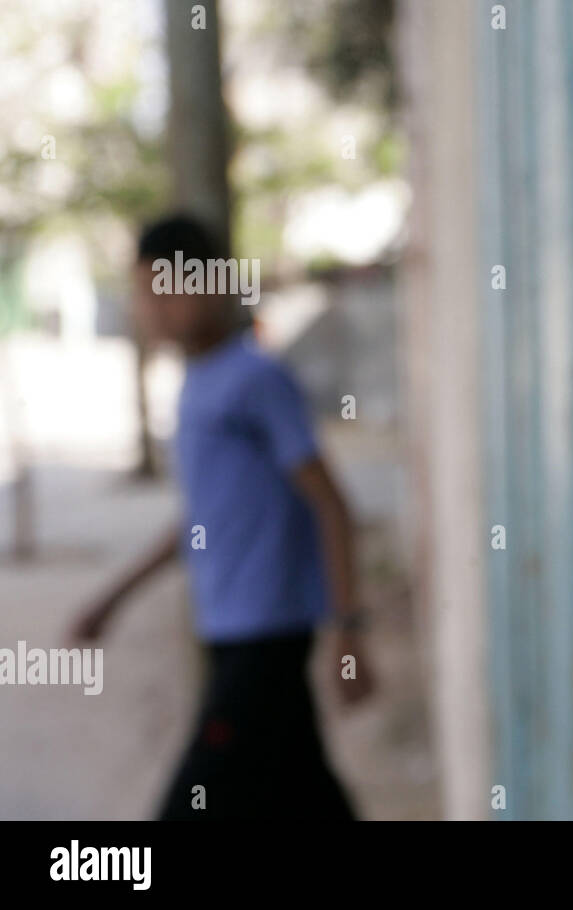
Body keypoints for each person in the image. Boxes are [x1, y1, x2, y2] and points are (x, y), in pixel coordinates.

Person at [69, 214, 373, 819]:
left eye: (166, 288)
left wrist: (349, 629)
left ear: (210, 283)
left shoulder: (256, 379)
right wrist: (114, 596)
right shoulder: (194, 384)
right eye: (142, 290)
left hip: (265, 638)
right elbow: (200, 520)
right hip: (228, 633)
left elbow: (331, 503)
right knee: (305, 794)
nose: (152, 307)